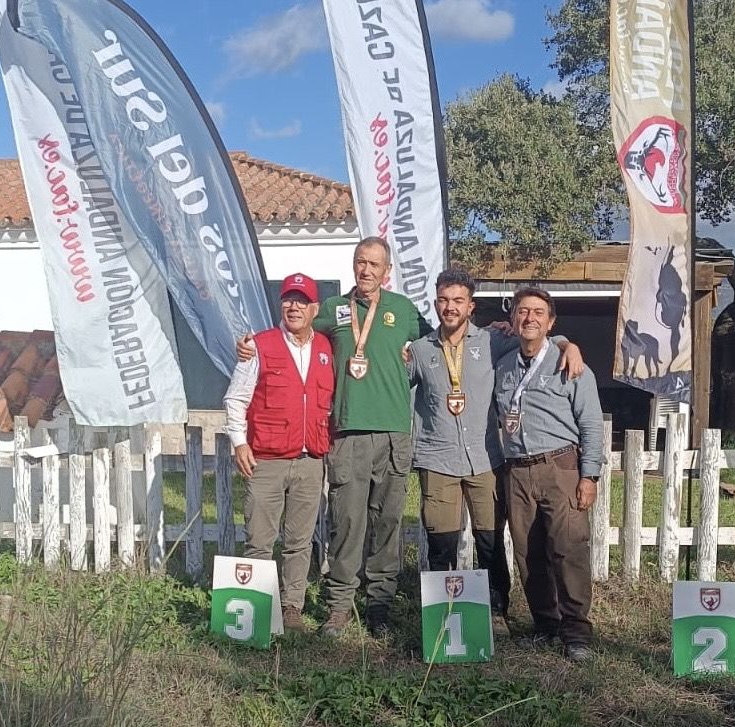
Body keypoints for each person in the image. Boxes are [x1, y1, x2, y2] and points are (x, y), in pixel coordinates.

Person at [237, 236, 431, 638]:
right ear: (353, 265)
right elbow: (294, 332)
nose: (366, 270)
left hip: (394, 434)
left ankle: (379, 604)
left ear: (387, 271)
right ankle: (339, 605)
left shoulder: (404, 311)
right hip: (346, 435)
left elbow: (444, 340)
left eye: (375, 264)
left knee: (387, 524)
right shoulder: (333, 310)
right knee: (346, 524)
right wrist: (250, 345)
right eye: (361, 262)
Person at [408, 268, 585, 639]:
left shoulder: (491, 341)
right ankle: (443, 615)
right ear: (435, 303)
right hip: (438, 460)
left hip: (486, 460)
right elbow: (393, 386)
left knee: (490, 544)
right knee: (441, 544)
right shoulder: (421, 351)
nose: (450, 307)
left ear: (471, 306)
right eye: (443, 300)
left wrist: (570, 343)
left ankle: (495, 611)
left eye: (458, 301)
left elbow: (536, 339)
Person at [493, 286, 605, 661]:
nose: (530, 318)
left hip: (559, 466)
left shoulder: (570, 364)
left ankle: (576, 632)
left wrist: (589, 476)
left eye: (539, 313)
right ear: (513, 318)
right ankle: (546, 623)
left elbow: (590, 424)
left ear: (551, 322)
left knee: (568, 549)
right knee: (528, 552)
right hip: (518, 471)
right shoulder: (504, 365)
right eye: (523, 311)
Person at [224, 273, 333, 632]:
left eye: (302, 301)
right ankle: (254, 612)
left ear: (315, 308)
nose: (294, 306)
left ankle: (291, 609)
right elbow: (235, 398)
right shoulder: (259, 345)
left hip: (310, 460)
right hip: (267, 459)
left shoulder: (327, 349)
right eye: (288, 299)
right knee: (259, 539)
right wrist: (239, 442)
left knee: (300, 542)